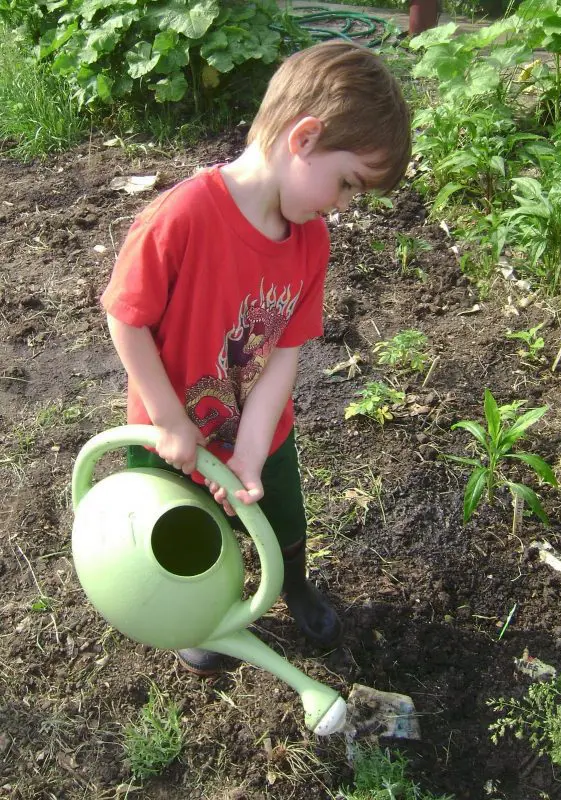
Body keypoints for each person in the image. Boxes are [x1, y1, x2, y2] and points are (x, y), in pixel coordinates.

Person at [101, 39, 411, 676]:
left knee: (283, 515)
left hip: (259, 427)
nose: (343, 205)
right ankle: (203, 612)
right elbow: (125, 318)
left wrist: (249, 448)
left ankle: (294, 585)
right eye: (346, 184)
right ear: (305, 138)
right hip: (172, 434)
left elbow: (284, 353)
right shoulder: (184, 217)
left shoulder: (310, 241)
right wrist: (169, 420)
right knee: (185, 529)